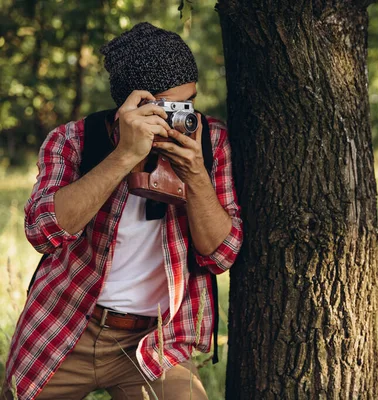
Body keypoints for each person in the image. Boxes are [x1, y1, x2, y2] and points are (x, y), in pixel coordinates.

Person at [1, 22, 242, 400]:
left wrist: (195, 173)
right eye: (169, 108)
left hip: (156, 339)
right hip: (67, 323)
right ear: (132, 104)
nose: (182, 119)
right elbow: (41, 231)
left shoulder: (210, 142)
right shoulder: (73, 140)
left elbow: (221, 255)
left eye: (189, 104)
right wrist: (125, 155)